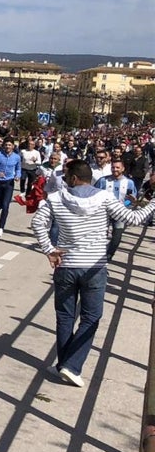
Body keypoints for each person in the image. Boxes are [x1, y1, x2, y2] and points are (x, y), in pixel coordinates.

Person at [31, 159, 155, 387]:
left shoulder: (57, 198)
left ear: (75, 178)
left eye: (68, 176)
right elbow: (135, 218)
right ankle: (71, 365)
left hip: (66, 265)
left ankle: (63, 364)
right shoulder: (104, 197)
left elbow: (38, 223)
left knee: (65, 317)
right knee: (91, 317)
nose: (65, 180)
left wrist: (50, 250)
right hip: (94, 267)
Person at [95, 158, 137, 262]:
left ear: (123, 169)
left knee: (117, 236)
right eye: (113, 167)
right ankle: (97, 256)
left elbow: (132, 198)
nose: (115, 170)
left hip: (120, 212)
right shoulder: (103, 180)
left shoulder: (129, 182)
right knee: (99, 235)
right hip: (104, 212)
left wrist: (126, 204)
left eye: (117, 167)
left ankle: (108, 256)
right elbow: (94, 193)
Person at [0, 138, 22, 239]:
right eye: (6, 145)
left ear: (13, 146)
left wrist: (18, 175)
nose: (8, 147)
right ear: (3, 146)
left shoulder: (17, 157)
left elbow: (18, 168)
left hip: (9, 182)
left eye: (9, 145)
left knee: (6, 205)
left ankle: (1, 228)